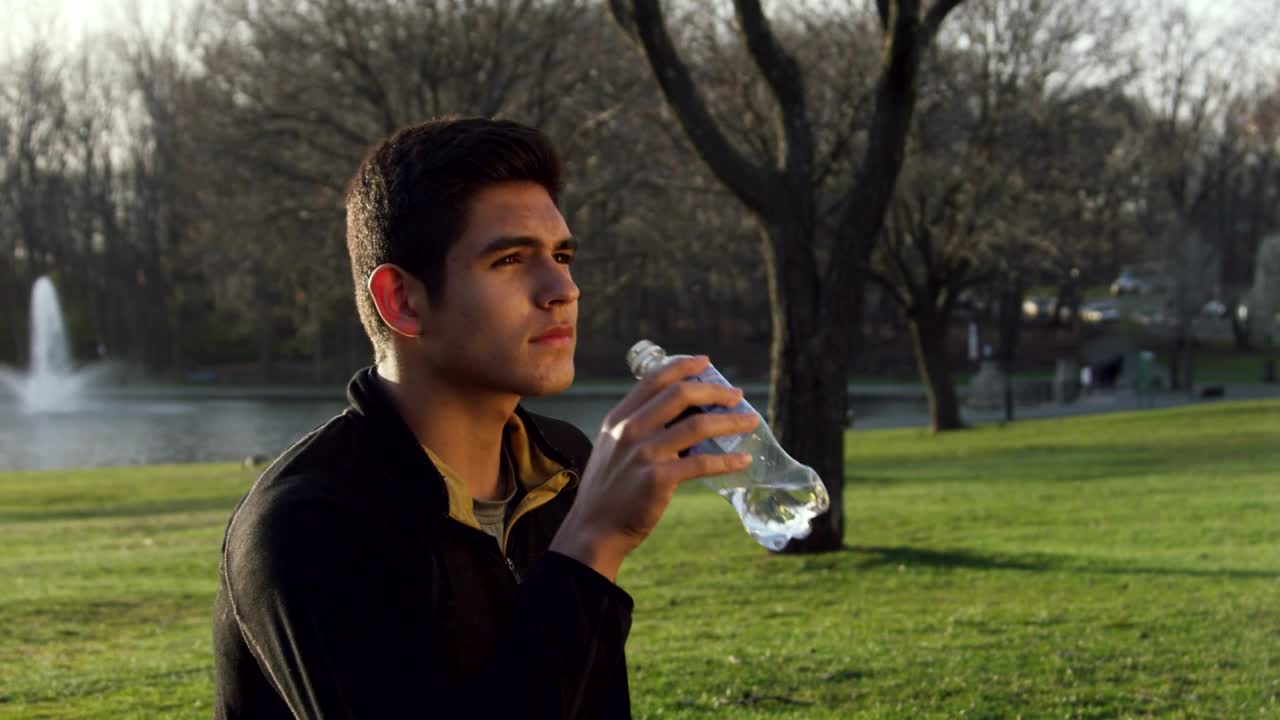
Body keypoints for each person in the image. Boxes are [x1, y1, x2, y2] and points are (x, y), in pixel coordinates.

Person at [211, 117, 758, 719]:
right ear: (404, 301)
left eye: (562, 254)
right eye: (511, 259)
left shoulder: (563, 463)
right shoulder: (306, 524)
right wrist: (593, 543)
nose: (563, 288)